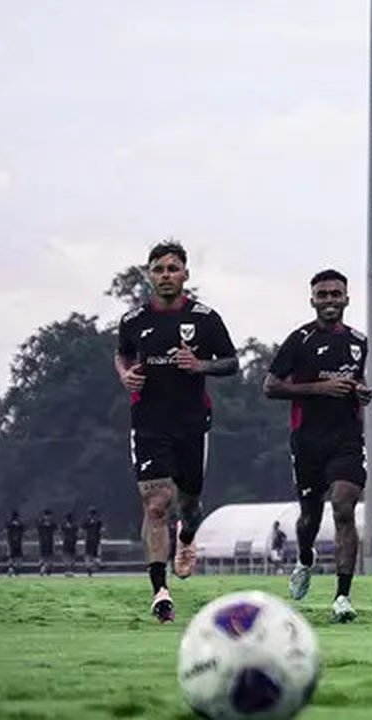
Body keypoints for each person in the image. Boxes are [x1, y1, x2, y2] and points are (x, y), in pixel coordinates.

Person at [116, 240, 239, 623]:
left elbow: (232, 362)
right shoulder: (133, 320)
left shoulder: (205, 318)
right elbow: (123, 353)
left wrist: (200, 365)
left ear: (185, 274)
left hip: (191, 423)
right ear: (149, 275)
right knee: (156, 504)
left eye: (172, 268)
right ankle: (160, 591)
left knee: (189, 504)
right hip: (149, 423)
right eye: (158, 269)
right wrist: (125, 374)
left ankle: (187, 539)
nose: (166, 275)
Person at [264, 269, 371, 623]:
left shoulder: (359, 341)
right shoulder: (299, 340)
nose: (329, 301)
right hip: (308, 439)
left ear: (346, 298)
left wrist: (362, 391)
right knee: (310, 517)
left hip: (347, 439)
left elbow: (358, 380)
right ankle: (305, 559)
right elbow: (270, 386)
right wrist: (317, 389)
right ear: (312, 300)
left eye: (335, 294)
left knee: (343, 507)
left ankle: (342, 596)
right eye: (322, 295)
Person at [82, 507, 104, 578]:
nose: (91, 516)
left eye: (92, 514)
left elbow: (101, 531)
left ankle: (91, 567)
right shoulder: (86, 522)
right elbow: (83, 531)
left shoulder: (98, 522)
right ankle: (89, 567)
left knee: (95, 557)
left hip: (96, 541)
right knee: (89, 556)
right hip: (89, 541)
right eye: (91, 514)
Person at [37, 509, 56, 577]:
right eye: (47, 516)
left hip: (50, 542)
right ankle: (43, 568)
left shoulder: (53, 524)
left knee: (50, 558)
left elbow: (55, 532)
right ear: (44, 516)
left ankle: (47, 569)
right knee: (43, 557)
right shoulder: (40, 524)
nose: (48, 517)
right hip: (43, 543)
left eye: (49, 516)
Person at [6, 510, 24, 576]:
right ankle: (14, 570)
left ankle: (12, 569)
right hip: (15, 544)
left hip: (13, 543)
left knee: (13, 558)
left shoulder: (10, 525)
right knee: (16, 558)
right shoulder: (16, 525)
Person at [60, 511, 78, 577]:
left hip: (71, 544)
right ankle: (68, 571)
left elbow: (76, 535)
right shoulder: (64, 526)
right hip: (67, 544)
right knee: (68, 559)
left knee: (70, 559)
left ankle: (70, 571)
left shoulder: (73, 527)